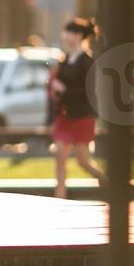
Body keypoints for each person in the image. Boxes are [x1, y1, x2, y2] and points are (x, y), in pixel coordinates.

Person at [49, 17, 104, 199]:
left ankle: (106, 181)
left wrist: (65, 90)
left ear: (79, 36)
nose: (66, 36)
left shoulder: (87, 61)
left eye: (70, 33)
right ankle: (60, 197)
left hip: (82, 116)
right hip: (65, 116)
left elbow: (87, 91)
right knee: (59, 155)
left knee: (83, 161)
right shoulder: (65, 59)